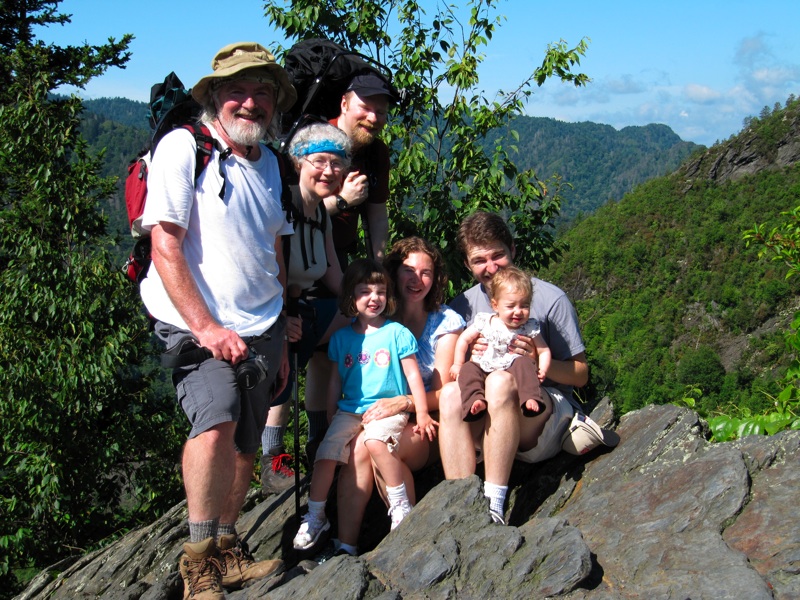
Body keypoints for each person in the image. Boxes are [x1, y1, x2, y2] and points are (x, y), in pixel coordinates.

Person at [139, 42, 296, 598]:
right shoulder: (184, 148)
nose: (249, 102)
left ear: (275, 102)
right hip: (194, 325)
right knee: (216, 423)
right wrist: (206, 328)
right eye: (237, 91)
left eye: (261, 92)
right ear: (214, 97)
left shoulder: (272, 163)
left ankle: (228, 548)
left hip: (262, 326)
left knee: (248, 440)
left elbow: (272, 247)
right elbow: (165, 247)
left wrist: (281, 320)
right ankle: (198, 559)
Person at [439, 211, 589, 525]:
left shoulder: (549, 300)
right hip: (490, 421)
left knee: (499, 384)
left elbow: (580, 375)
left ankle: (494, 504)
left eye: (498, 255)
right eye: (480, 260)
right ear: (467, 265)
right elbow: (454, 371)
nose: (490, 267)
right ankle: (461, 501)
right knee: (451, 395)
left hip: (541, 415)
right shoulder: (462, 308)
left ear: (513, 251)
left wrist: (535, 361)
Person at [328, 237, 465, 557]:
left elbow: (445, 393)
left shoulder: (445, 323)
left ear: (436, 279)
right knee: (359, 447)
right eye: (408, 270)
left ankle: (411, 540)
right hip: (378, 418)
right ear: (393, 273)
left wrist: (404, 402)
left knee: (380, 446)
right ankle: (345, 547)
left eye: (426, 272)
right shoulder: (374, 320)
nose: (417, 280)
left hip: (428, 424)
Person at [293, 258, 438, 552]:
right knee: (326, 454)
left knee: (374, 440)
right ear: (350, 297)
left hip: (386, 409)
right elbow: (335, 379)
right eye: (364, 292)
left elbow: (413, 376)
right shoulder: (342, 337)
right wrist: (332, 410)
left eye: (380, 291)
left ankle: (399, 504)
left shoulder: (396, 333)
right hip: (349, 411)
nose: (374, 298)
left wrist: (421, 413)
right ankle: (316, 516)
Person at [302, 72, 400, 463]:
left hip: (339, 260)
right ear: (344, 103)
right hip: (302, 257)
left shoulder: (375, 153)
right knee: (301, 346)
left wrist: (381, 273)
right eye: (366, 107)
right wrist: (342, 200)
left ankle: (321, 434)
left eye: (381, 110)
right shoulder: (315, 143)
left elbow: (377, 217)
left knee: (327, 350)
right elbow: (295, 213)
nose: (373, 117)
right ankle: (281, 447)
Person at [258, 122, 352, 493]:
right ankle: (273, 460)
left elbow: (332, 271)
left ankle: (319, 441)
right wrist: (283, 318)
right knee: (289, 357)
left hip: (301, 303)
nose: (329, 171)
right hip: (274, 306)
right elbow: (269, 268)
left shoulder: (319, 213)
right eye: (320, 161)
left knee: (342, 331)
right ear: (298, 162)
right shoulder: (285, 204)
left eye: (337, 163)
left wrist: (367, 304)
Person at [450, 266, 552, 422]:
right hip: (485, 365)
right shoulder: (485, 321)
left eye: (524, 306)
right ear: (495, 305)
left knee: (525, 363)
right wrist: (458, 363)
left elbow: (544, 350)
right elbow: (464, 339)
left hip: (512, 372)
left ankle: (530, 398)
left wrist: (542, 369)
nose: (518, 311)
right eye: (511, 306)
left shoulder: (529, 326)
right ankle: (475, 399)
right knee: (468, 370)